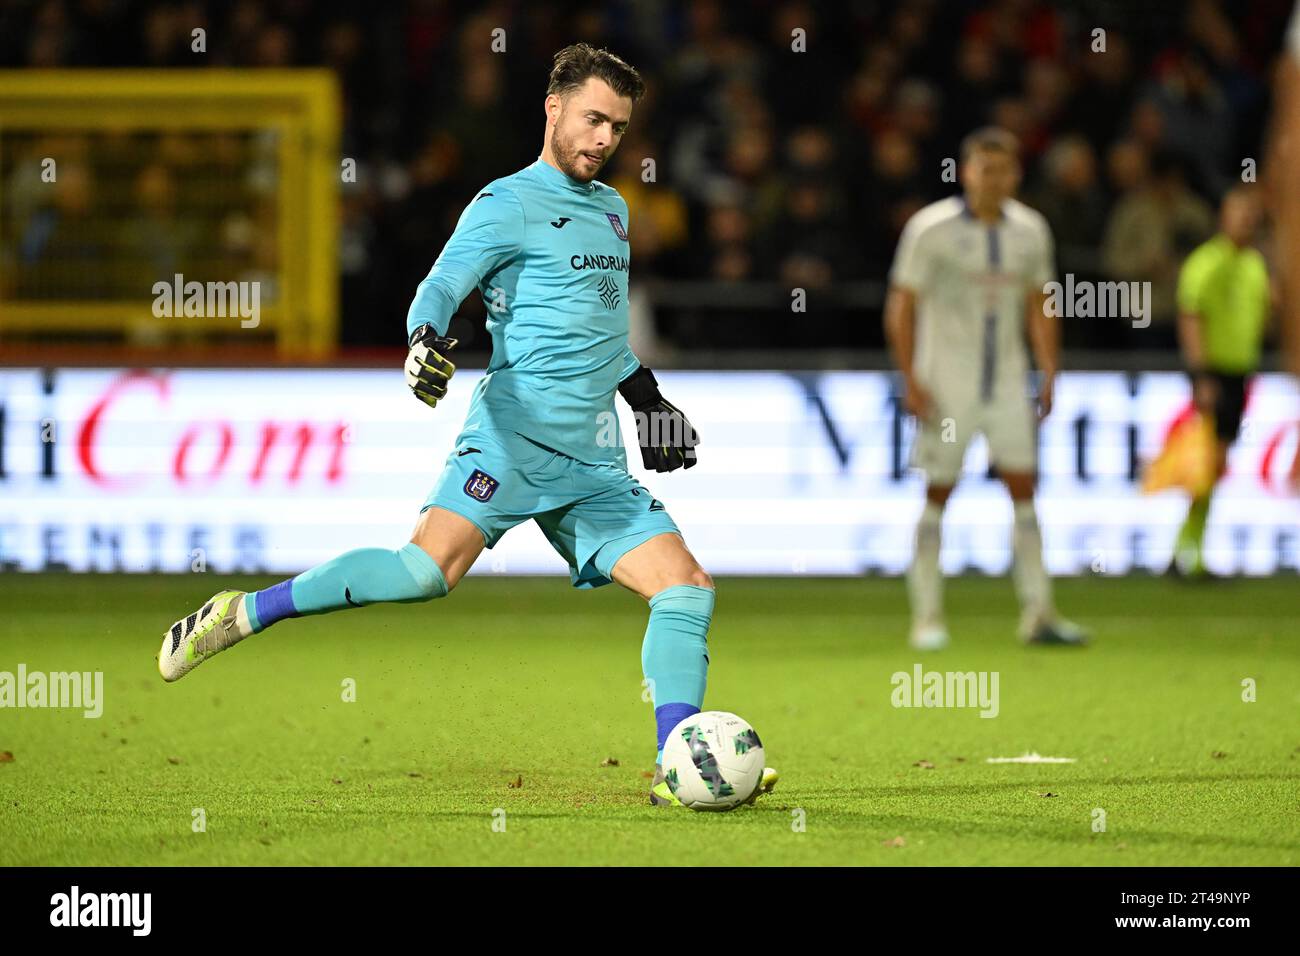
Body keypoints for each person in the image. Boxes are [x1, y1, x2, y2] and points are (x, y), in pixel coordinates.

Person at [157, 43, 775, 809]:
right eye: (591, 120)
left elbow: (604, 336)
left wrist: (649, 400)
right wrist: (423, 343)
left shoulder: (615, 212)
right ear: (552, 110)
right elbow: (440, 286)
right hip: (511, 440)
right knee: (424, 574)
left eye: (616, 127)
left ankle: (678, 765)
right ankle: (241, 612)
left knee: (685, 589)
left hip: (592, 461)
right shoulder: (503, 203)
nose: (603, 140)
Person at [885, 126, 1088, 651]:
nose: (994, 179)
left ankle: (1039, 612)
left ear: (1016, 174)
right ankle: (926, 617)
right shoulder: (930, 229)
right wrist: (910, 378)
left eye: (1004, 169)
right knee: (937, 494)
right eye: (984, 168)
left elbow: (1041, 302)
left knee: (1025, 492)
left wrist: (1049, 368)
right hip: (946, 384)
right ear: (965, 171)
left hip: (1006, 383)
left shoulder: (1030, 230)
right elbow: (902, 304)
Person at [1171, 187, 1269, 576]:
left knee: (1215, 463)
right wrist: (1200, 375)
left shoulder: (1255, 265)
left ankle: (1189, 549)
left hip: (1239, 373)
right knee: (1205, 462)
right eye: (1238, 213)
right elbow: (1190, 316)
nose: (1246, 221)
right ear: (1222, 217)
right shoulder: (1206, 262)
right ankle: (1185, 551)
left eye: (1251, 214)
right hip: (1213, 374)